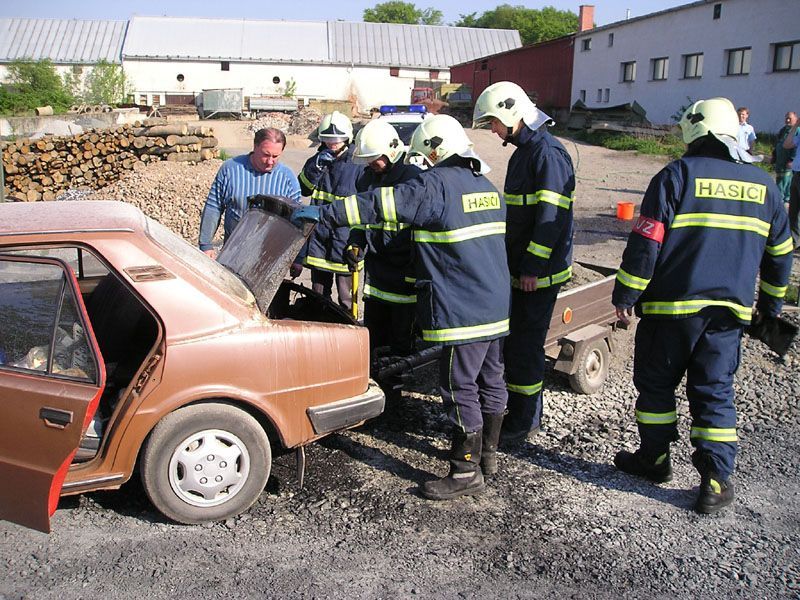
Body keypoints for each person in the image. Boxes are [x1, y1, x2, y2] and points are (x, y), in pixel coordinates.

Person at [298, 114, 511, 500]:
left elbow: (382, 205)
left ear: (434, 150)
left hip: (463, 307)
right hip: (496, 303)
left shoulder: (436, 185)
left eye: (424, 156)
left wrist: (327, 213)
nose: (423, 163)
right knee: (491, 380)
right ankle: (489, 459)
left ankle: (465, 472)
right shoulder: (487, 186)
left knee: (458, 385)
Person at [612, 97, 792, 515]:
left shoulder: (676, 176)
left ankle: (654, 460)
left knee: (656, 387)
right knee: (714, 391)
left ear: (694, 131)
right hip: (727, 316)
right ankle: (714, 480)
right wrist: (770, 308)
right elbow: (781, 254)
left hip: (670, 312)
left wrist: (625, 295)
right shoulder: (764, 185)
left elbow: (646, 244)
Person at [472, 81, 575, 447]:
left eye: (494, 122)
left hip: (540, 274)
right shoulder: (525, 152)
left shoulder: (547, 155)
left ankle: (526, 420)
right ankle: (516, 411)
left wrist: (532, 267)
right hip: (522, 269)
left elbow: (551, 219)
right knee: (516, 343)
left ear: (511, 113)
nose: (493, 130)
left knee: (527, 346)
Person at [347, 119, 422, 367]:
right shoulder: (367, 179)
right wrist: (355, 242)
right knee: (375, 337)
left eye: (374, 158)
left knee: (401, 342)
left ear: (391, 151)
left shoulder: (413, 179)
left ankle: (398, 389)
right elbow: (360, 217)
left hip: (404, 276)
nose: (370, 164)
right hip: (377, 275)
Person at [295, 111, 362, 309]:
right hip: (319, 239)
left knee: (347, 300)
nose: (333, 143)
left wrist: (359, 241)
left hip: (345, 240)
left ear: (347, 138)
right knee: (318, 297)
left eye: (337, 139)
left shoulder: (357, 164)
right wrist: (315, 168)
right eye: (328, 139)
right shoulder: (317, 160)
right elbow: (304, 188)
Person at [199, 127, 300, 258]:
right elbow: (214, 207)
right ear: (255, 146)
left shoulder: (287, 179)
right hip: (232, 253)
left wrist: (297, 258)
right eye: (266, 154)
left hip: (269, 258)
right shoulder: (231, 170)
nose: (270, 161)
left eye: (275, 156)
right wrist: (206, 245)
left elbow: (297, 223)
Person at [783, 114, 800, 248]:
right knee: (793, 210)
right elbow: (787, 144)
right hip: (797, 174)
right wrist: (795, 126)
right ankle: (794, 241)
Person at [774, 111, 798, 204]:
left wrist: (792, 159)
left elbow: (796, 147)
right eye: (786, 118)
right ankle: (779, 199)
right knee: (779, 180)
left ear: (795, 119)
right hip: (780, 161)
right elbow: (777, 143)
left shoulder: (797, 131)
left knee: (786, 181)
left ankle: (786, 200)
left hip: (788, 163)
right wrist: (774, 155)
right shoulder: (783, 130)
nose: (787, 120)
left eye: (790, 118)